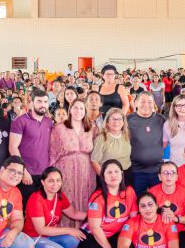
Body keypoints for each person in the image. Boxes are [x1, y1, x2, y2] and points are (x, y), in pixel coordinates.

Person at [23, 167, 87, 248]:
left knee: (75, 239)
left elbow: (74, 213)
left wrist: (96, 216)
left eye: (58, 180)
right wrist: (69, 229)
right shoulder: (36, 199)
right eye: (51, 181)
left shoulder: (60, 196)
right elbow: (41, 230)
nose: (55, 184)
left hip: (50, 236)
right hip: (34, 238)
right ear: (43, 182)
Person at [79, 159, 137, 248]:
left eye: (116, 171)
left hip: (116, 233)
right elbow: (95, 228)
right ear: (103, 176)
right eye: (109, 172)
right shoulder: (97, 197)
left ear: (122, 173)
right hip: (94, 235)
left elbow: (134, 219)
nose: (113, 175)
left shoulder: (129, 191)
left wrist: (131, 243)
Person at [49, 99, 96, 228]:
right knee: (67, 199)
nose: (78, 111)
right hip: (65, 171)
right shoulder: (59, 128)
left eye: (81, 108)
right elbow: (53, 151)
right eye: (75, 107)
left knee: (85, 198)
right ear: (70, 110)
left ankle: (86, 231)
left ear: (85, 111)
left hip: (86, 171)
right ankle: (65, 231)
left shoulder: (91, 128)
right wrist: (51, 175)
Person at [147, 161, 185, 248]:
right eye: (165, 173)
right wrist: (159, 214)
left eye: (172, 173)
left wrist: (176, 218)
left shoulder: (184, 192)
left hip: (179, 230)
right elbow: (145, 217)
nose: (169, 176)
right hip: (158, 231)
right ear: (160, 176)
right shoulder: (152, 193)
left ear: (177, 177)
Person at [9, 88, 53, 203]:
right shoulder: (20, 121)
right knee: (27, 207)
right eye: (39, 101)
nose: (43, 105)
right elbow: (12, 147)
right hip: (27, 174)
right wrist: (23, 171)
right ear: (31, 102)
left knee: (43, 206)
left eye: (45, 102)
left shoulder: (48, 121)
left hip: (45, 173)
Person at [127, 91, 165, 195]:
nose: (146, 105)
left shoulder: (161, 119)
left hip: (157, 171)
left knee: (158, 201)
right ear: (136, 103)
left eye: (149, 102)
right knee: (137, 201)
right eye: (143, 101)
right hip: (136, 171)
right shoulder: (128, 120)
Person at [91, 108, 131, 178]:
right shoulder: (101, 138)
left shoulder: (126, 136)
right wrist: (105, 178)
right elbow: (94, 161)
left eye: (119, 119)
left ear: (123, 122)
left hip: (126, 174)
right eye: (113, 119)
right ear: (107, 122)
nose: (116, 122)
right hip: (109, 176)